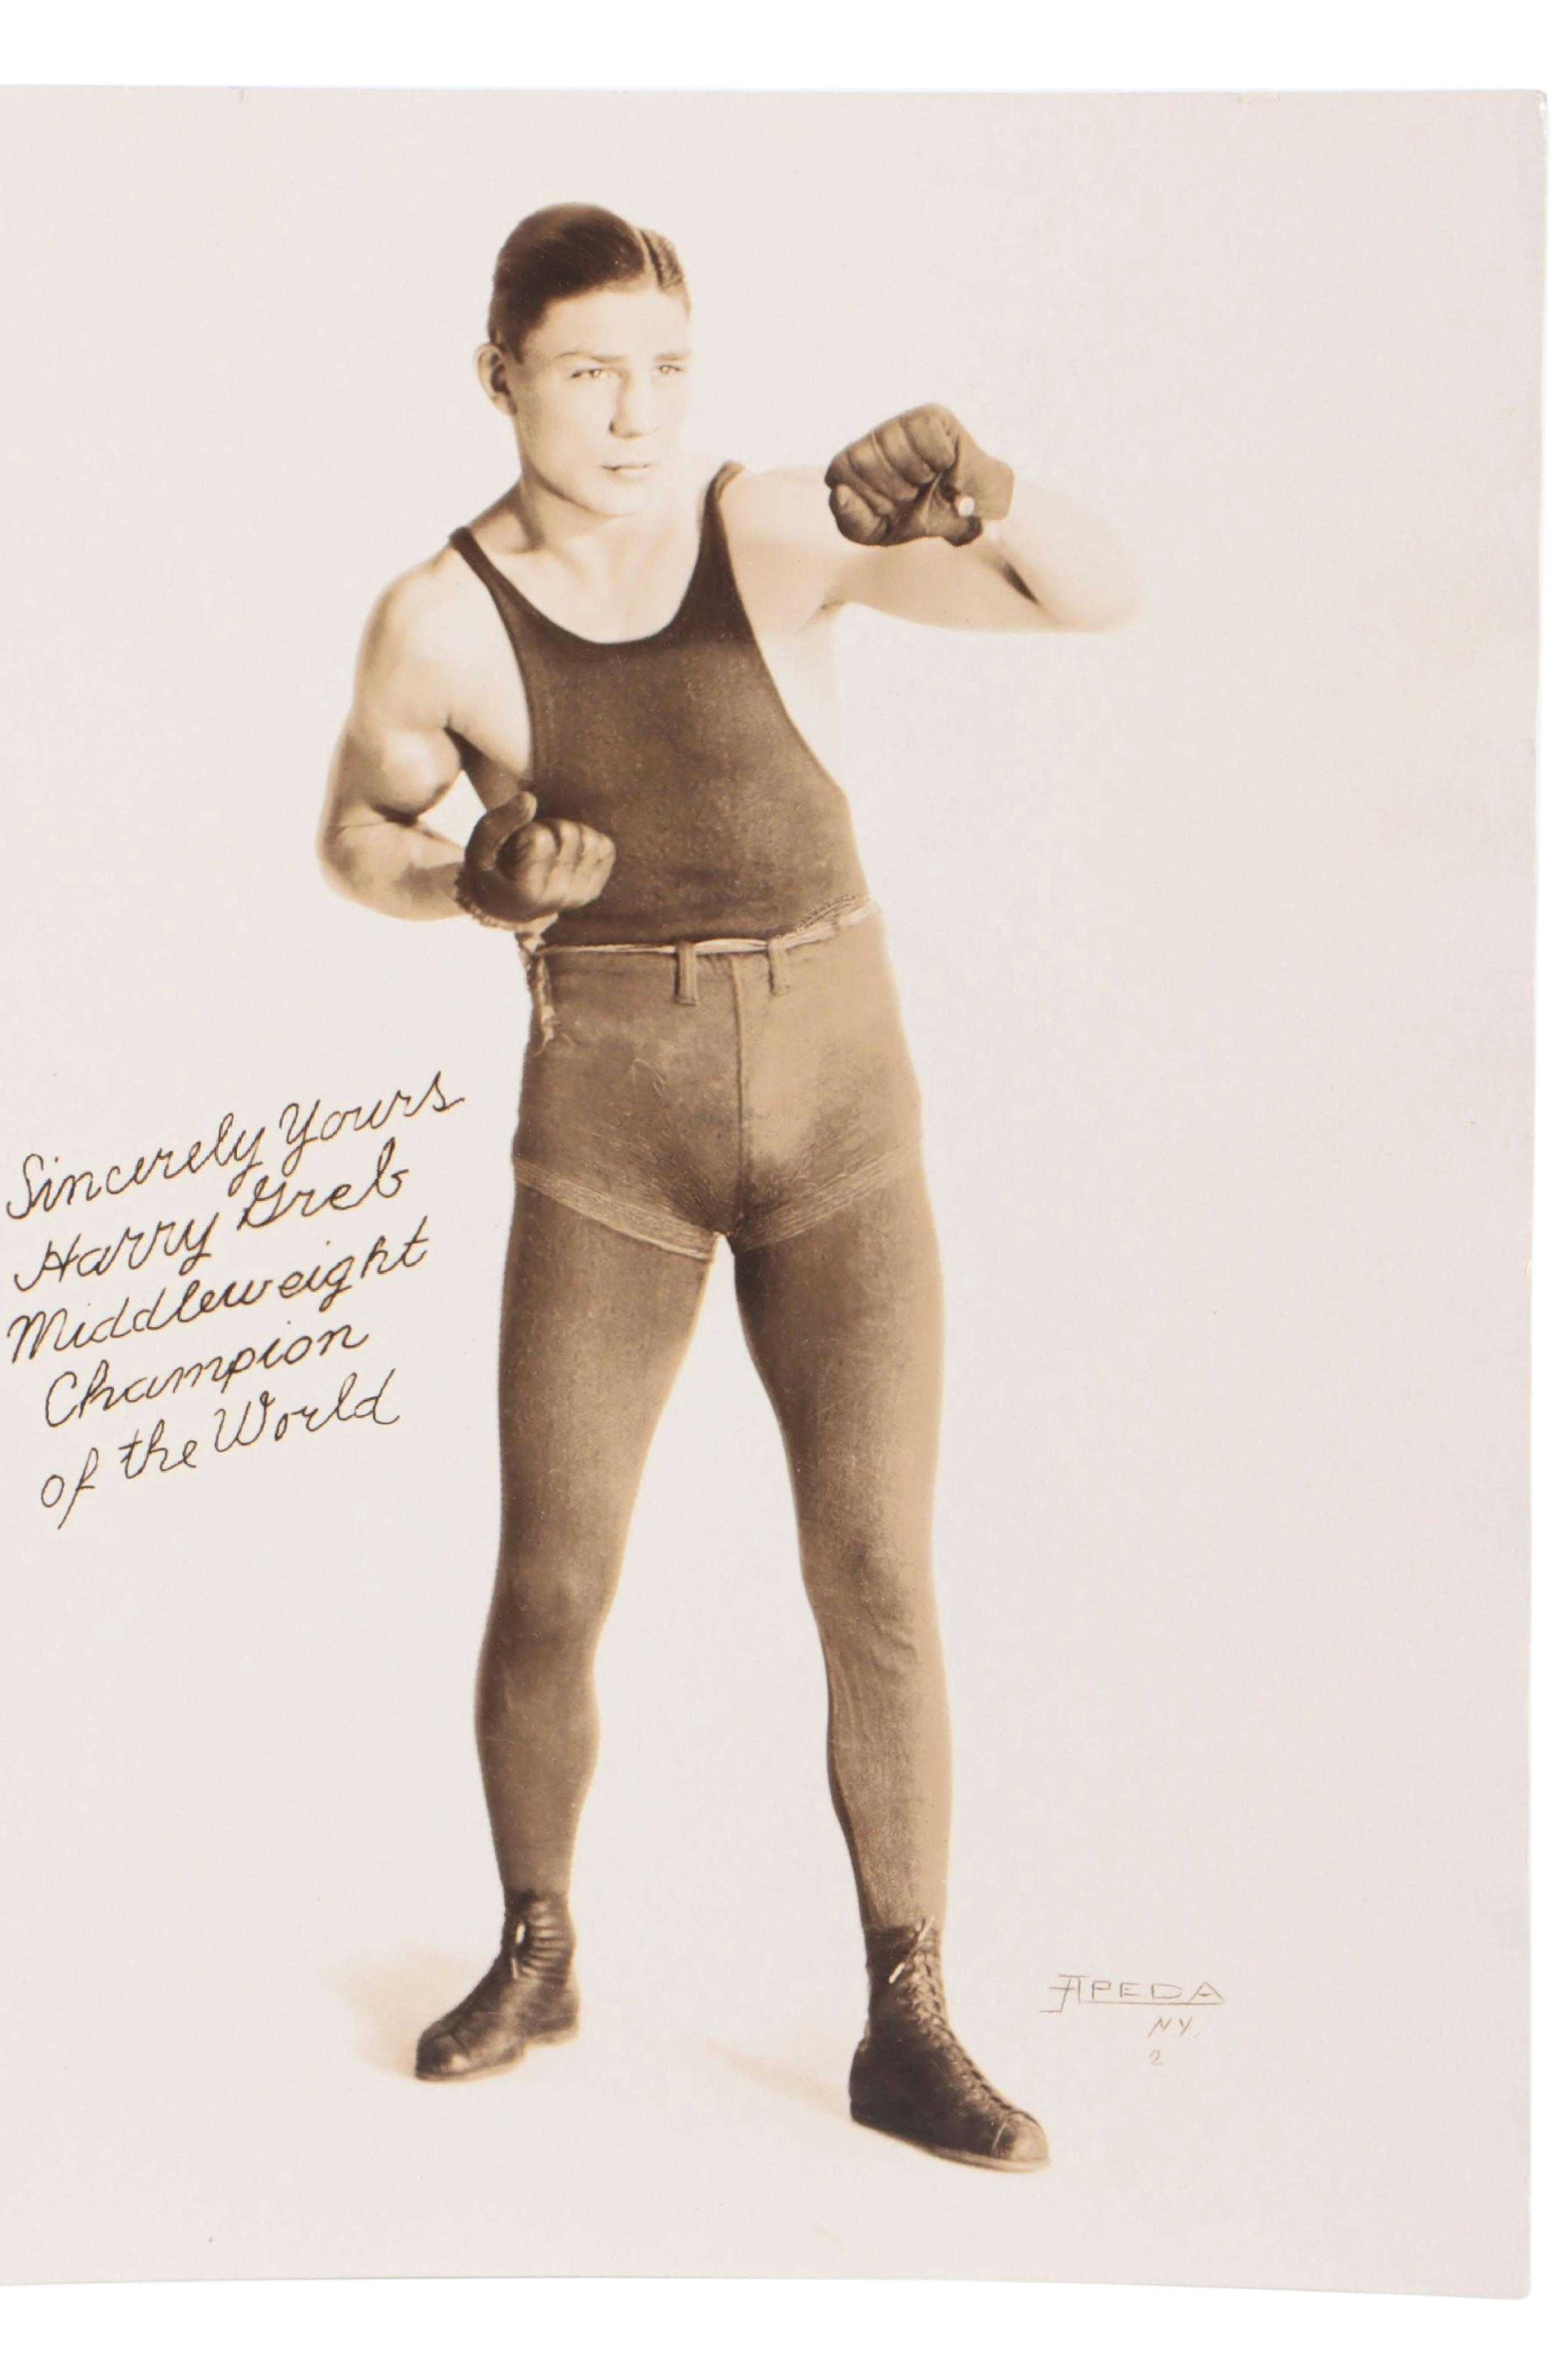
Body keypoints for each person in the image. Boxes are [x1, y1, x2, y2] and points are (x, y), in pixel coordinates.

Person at [317, 203, 1136, 2172]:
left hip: (846, 1120)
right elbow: (356, 826)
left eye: (668, 368)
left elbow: (1091, 598)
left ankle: (910, 2015)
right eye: (589, 369)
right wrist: (465, 885)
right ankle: (539, 1946)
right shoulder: (439, 617)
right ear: (497, 371)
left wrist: (988, 488)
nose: (634, 412)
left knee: (876, 1574)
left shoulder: (769, 530)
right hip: (611, 1125)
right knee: (557, 1575)